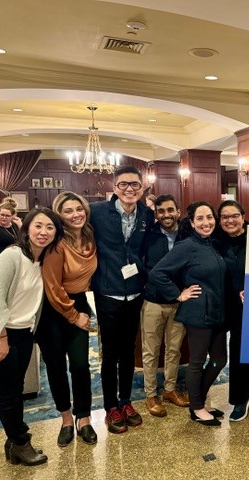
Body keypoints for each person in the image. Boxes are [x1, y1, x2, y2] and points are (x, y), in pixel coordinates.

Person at [0, 207, 62, 466]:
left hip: (24, 334)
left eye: (50, 227)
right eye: (38, 226)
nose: (43, 232)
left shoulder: (41, 258)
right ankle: (21, 442)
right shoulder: (12, 256)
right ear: (26, 228)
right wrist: (0, 338)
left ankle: (14, 444)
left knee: (16, 390)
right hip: (3, 334)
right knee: (10, 394)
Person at [147, 201, 227, 427]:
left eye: (209, 217)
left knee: (220, 360)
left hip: (218, 312)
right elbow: (158, 273)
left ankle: (197, 399)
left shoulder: (213, 243)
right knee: (197, 362)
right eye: (200, 219)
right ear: (192, 223)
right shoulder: (187, 246)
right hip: (198, 313)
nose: (206, 222)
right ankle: (197, 407)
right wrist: (177, 294)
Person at [89, 165, 155, 434]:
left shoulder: (147, 215)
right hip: (107, 292)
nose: (130, 189)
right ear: (115, 188)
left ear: (142, 189)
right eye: (124, 184)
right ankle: (110, 406)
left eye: (135, 185)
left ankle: (126, 401)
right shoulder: (96, 212)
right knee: (110, 353)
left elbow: (146, 248)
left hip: (135, 291)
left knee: (129, 352)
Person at [35, 192, 98, 447]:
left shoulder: (91, 237)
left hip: (79, 302)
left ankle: (83, 417)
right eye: (68, 211)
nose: (75, 215)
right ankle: (65, 419)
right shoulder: (57, 244)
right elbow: (52, 287)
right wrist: (74, 316)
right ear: (60, 217)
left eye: (78, 209)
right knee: (56, 368)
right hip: (53, 310)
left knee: (81, 366)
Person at [141, 194, 189, 417]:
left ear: (178, 212)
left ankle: (170, 389)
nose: (166, 215)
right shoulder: (148, 236)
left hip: (180, 302)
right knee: (151, 351)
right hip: (153, 301)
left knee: (174, 349)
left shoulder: (187, 234)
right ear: (156, 214)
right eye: (161, 211)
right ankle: (150, 394)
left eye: (171, 210)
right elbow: (145, 266)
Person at [214, 200, 249, 422]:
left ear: (243, 216)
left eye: (234, 216)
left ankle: (239, 399)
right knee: (237, 349)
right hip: (223, 304)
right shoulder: (214, 241)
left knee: (240, 349)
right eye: (224, 217)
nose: (230, 221)